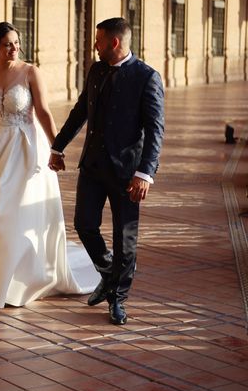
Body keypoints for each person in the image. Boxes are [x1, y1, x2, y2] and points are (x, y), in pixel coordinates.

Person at [0, 22, 99, 308]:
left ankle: (21, 276)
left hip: (26, 149)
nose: (14, 48)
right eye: (7, 44)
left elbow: (43, 112)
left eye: (16, 42)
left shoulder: (31, 72)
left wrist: (56, 147)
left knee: (17, 210)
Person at [48, 17, 164, 325]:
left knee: (125, 238)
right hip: (93, 166)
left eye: (98, 41)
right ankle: (109, 273)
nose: (94, 46)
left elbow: (155, 130)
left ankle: (118, 299)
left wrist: (145, 173)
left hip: (128, 174)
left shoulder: (147, 77)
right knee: (84, 224)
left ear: (114, 43)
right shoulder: (96, 70)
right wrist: (58, 147)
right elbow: (81, 110)